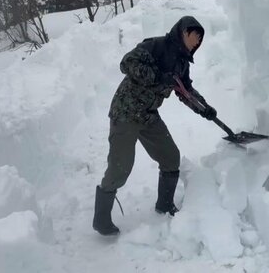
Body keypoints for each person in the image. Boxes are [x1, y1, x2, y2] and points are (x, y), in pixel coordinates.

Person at [92, 16, 217, 236]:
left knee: (170, 157)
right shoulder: (157, 45)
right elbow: (127, 63)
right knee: (119, 169)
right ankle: (101, 220)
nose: (197, 42)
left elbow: (185, 91)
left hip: (148, 115)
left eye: (200, 40)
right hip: (126, 112)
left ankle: (164, 205)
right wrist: (158, 76)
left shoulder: (182, 63)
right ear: (183, 32)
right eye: (194, 36)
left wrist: (204, 108)